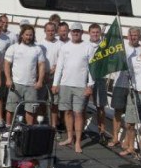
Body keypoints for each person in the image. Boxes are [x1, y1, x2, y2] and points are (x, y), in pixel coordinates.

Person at [52, 22, 95, 153]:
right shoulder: (64, 47)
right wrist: (55, 83)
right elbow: (59, 66)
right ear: (71, 32)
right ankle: (70, 137)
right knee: (67, 112)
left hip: (80, 86)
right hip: (65, 84)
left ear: (82, 33)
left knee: (78, 113)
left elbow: (92, 68)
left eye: (78, 31)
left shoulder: (88, 47)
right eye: (74, 31)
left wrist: (90, 85)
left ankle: (78, 142)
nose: (76, 33)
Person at [4, 24, 45, 125]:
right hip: (16, 83)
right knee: (11, 109)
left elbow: (41, 65)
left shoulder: (37, 49)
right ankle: (8, 128)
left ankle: (29, 130)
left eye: (30, 35)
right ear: (22, 35)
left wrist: (40, 81)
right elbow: (7, 64)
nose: (28, 37)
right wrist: (8, 79)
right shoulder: (14, 47)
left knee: (31, 110)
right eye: (26, 35)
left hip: (31, 85)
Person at [109, 26, 141, 148]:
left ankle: (128, 140)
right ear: (128, 36)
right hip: (119, 83)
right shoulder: (121, 48)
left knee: (130, 114)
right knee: (117, 112)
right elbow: (112, 62)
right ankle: (115, 137)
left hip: (134, 86)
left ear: (139, 37)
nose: (133, 37)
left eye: (135, 35)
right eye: (131, 35)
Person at [38, 22, 62, 128]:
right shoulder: (40, 44)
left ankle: (53, 126)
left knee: (54, 103)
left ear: (55, 31)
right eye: (48, 30)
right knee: (41, 101)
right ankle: (41, 123)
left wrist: (54, 69)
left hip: (55, 77)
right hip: (42, 77)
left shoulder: (60, 44)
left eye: (52, 30)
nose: (50, 32)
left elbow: (62, 60)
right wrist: (43, 74)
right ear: (45, 31)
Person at [88, 23, 108, 143]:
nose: (95, 34)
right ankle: (80, 130)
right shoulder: (85, 46)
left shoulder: (104, 46)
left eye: (97, 32)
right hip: (86, 79)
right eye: (93, 32)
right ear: (89, 33)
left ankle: (101, 132)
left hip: (100, 78)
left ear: (100, 33)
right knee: (82, 106)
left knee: (100, 106)